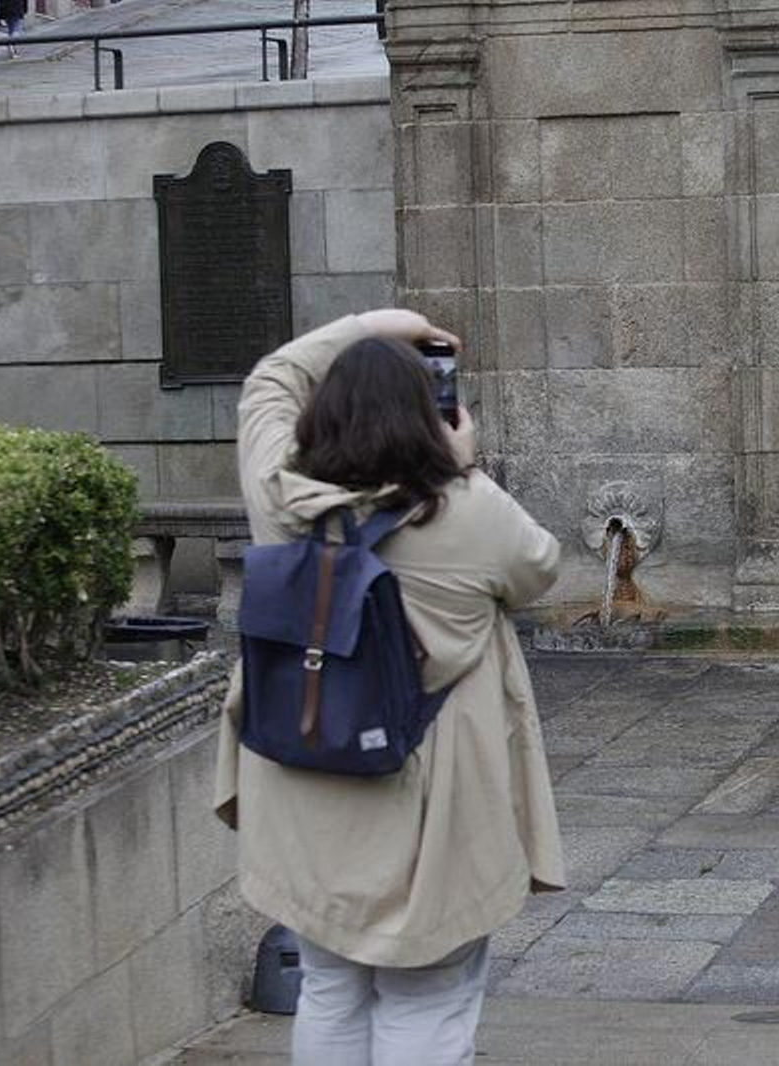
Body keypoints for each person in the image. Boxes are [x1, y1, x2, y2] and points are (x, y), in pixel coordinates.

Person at [214, 309, 566, 1064]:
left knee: (330, 988)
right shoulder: (468, 512)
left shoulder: (282, 493)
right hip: (426, 802)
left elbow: (269, 379)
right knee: (427, 998)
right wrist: (464, 467)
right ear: (429, 420)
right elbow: (539, 567)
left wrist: (373, 325)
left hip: (306, 779)